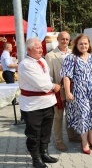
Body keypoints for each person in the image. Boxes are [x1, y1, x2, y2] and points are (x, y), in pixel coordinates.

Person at [18, 38, 59, 168]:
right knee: (33, 134)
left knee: (45, 132)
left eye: (41, 47)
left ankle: (44, 153)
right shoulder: (25, 64)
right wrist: (53, 86)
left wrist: (51, 83)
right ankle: (36, 159)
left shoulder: (41, 61)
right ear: (29, 50)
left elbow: (47, 77)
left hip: (47, 103)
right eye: (37, 47)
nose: (41, 49)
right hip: (32, 106)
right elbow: (41, 84)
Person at [60, 34, 92, 155]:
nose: (83, 46)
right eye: (81, 44)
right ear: (76, 45)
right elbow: (66, 77)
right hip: (79, 91)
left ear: (89, 45)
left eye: (85, 43)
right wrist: (68, 92)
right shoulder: (71, 58)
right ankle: (84, 142)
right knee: (83, 115)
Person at [45, 31, 81, 152]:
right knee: (58, 117)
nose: (65, 41)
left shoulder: (73, 53)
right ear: (58, 39)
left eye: (67, 39)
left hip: (72, 90)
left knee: (70, 114)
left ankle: (72, 135)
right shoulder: (50, 56)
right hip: (59, 91)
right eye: (62, 39)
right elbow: (48, 76)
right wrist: (54, 86)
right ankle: (58, 140)